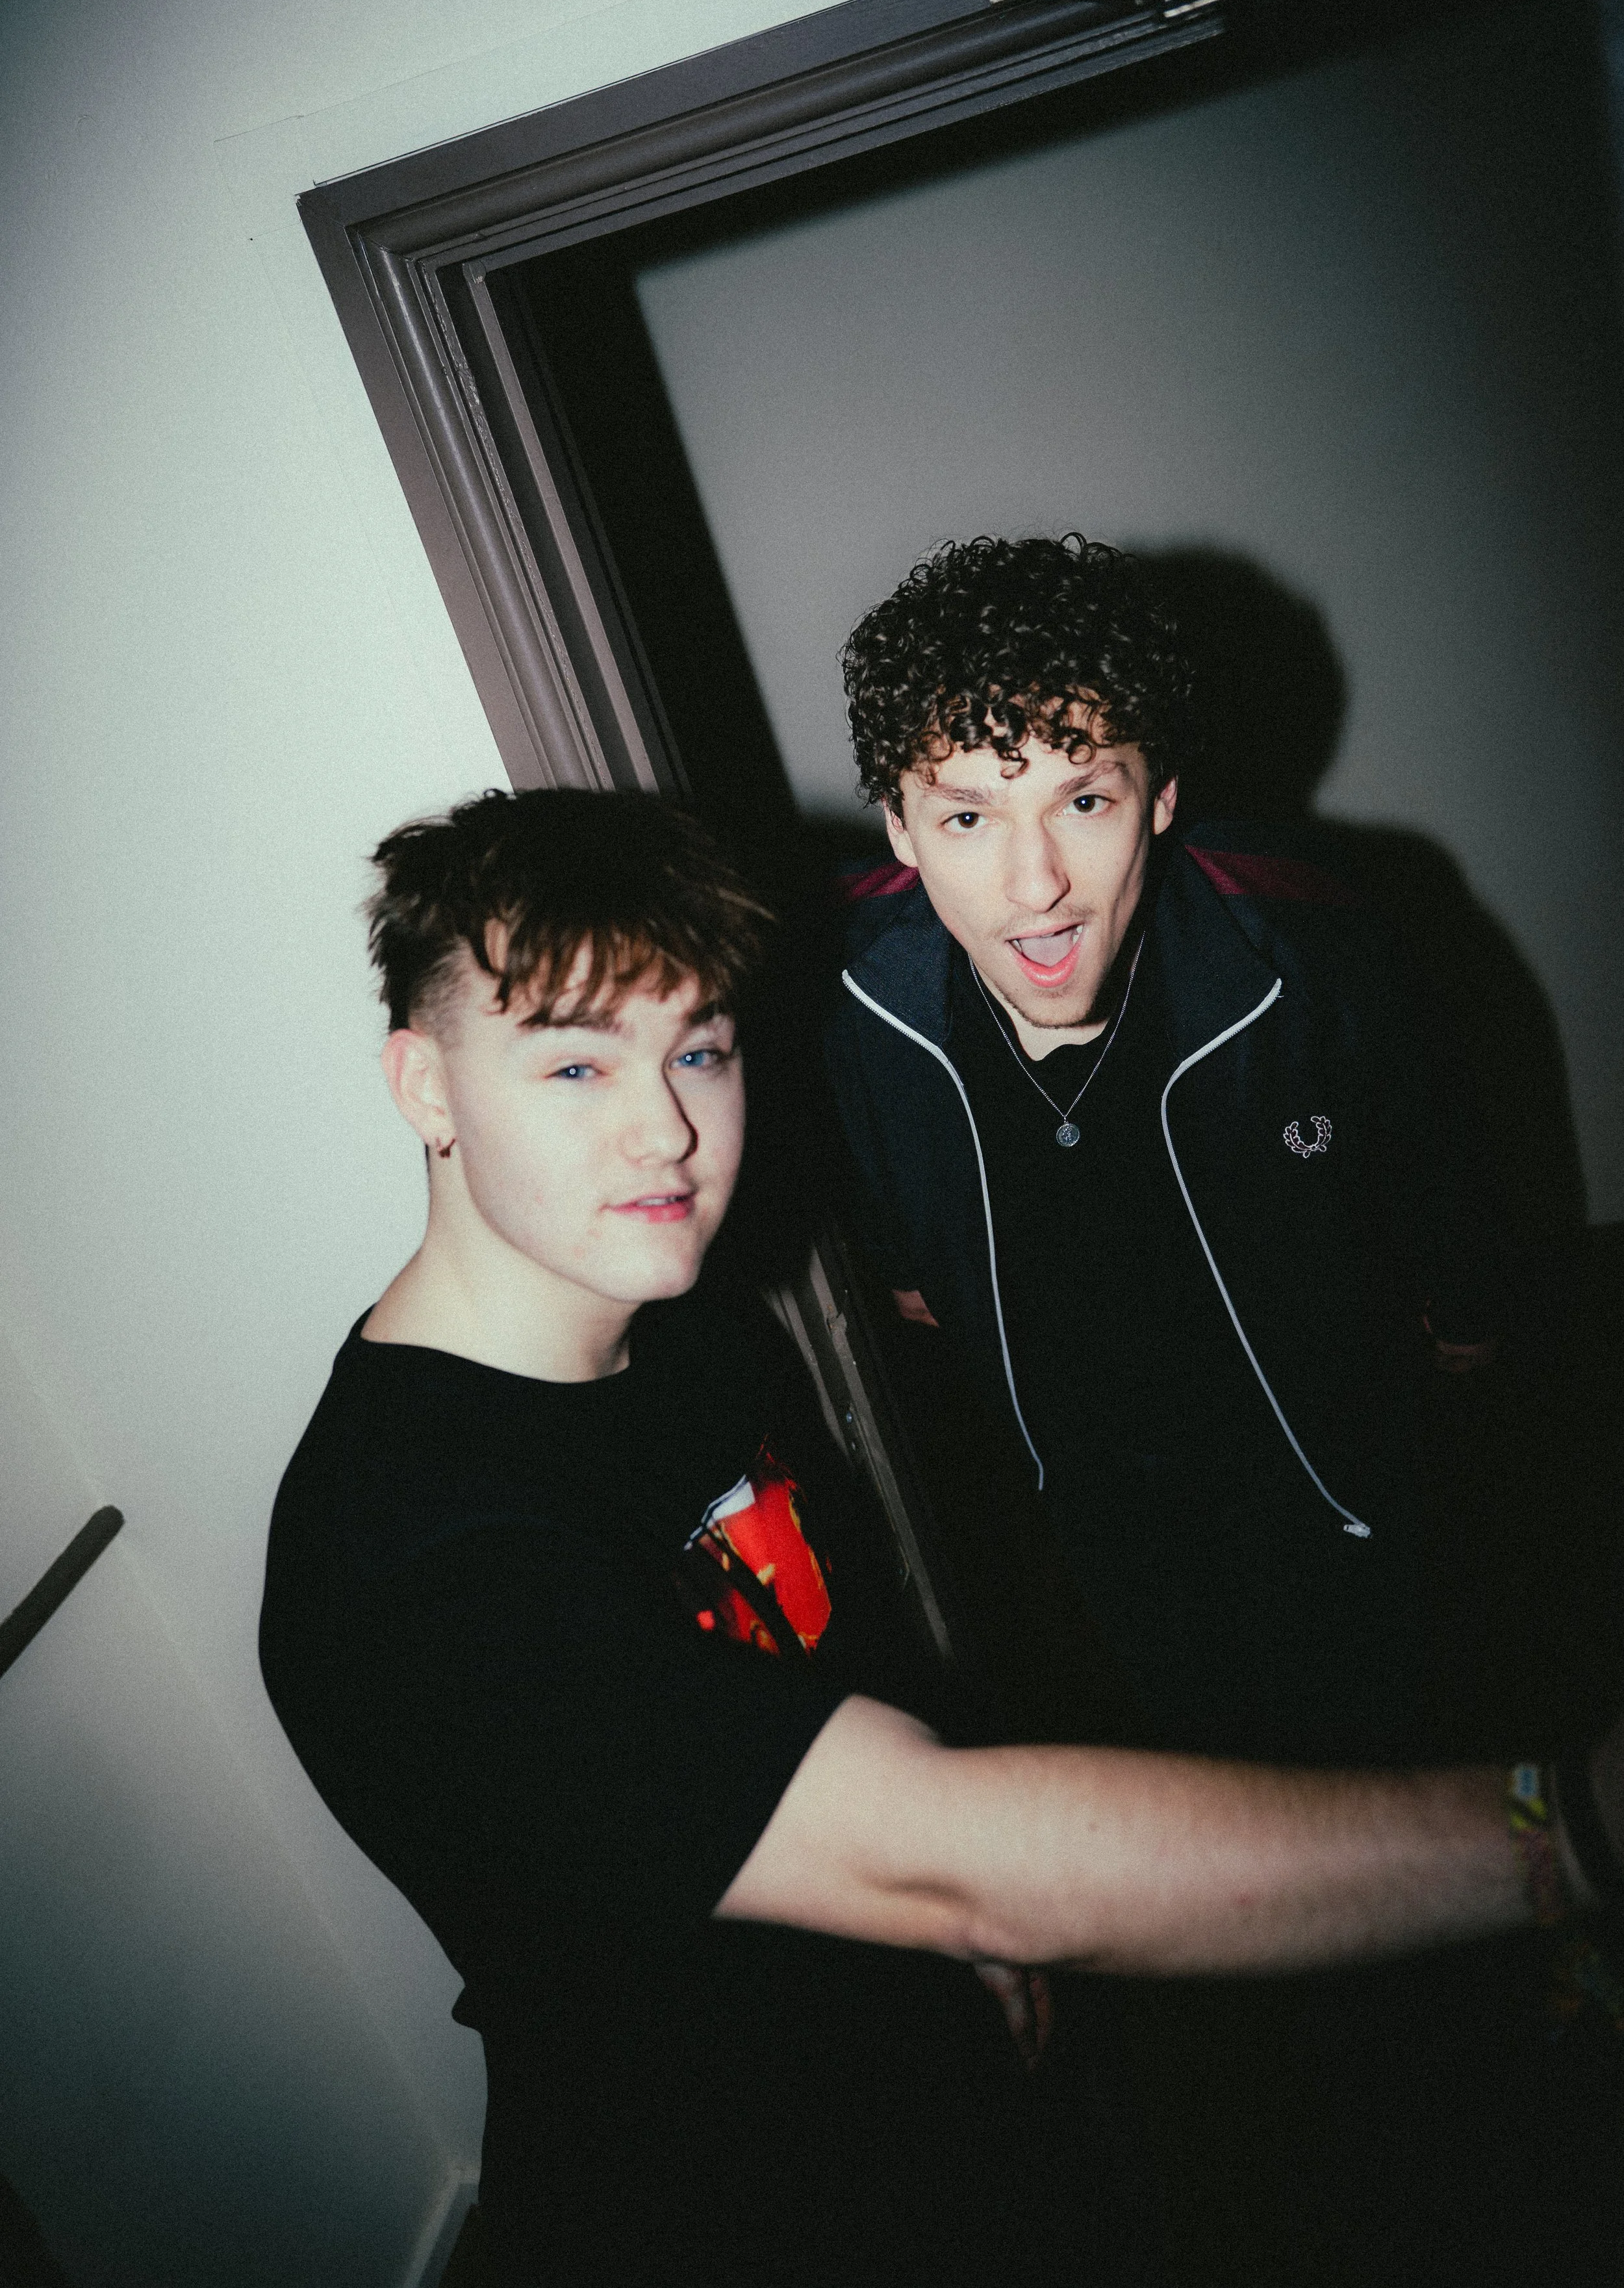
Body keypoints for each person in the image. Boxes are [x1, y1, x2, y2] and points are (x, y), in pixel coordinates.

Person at [259, 785, 1621, 2288]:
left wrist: (955, 1947)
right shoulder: (412, 1563)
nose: (665, 1128)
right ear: (425, 1086)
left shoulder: (684, 1337)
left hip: (936, 2111)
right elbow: (952, 1857)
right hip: (718, 2209)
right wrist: (1558, 1832)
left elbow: (836, 1675)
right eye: (575, 1062)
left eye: (697, 1048)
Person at [825, 531, 1593, 2280]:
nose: (1030, 881)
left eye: (1080, 799)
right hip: (1092, 1529)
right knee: (1223, 1944)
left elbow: (1452, 1187)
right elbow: (904, 1274)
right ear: (895, 824)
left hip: (1350, 1493)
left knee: (1430, 1866)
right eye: (963, 813)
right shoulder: (850, 1000)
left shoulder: (1316, 936)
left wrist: (1460, 1339)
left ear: (1161, 793)